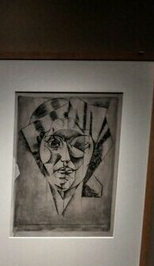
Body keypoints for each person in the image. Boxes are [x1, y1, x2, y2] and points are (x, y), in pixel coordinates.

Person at [13, 95, 116, 234]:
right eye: (54, 143)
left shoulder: (101, 209)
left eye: (79, 144)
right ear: (36, 148)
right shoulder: (22, 201)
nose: (66, 158)